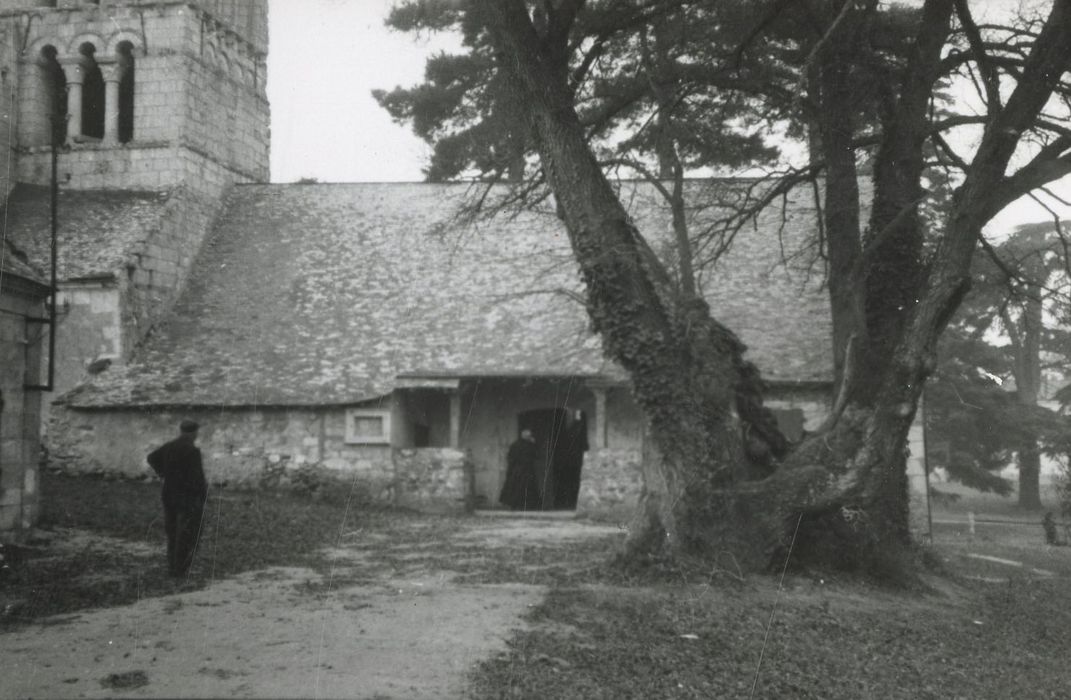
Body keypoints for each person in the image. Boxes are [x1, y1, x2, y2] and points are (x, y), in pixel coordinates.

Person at [147, 419, 208, 577]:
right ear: (194, 433)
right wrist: (203, 495)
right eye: (196, 433)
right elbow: (198, 478)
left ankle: (172, 567)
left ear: (181, 431)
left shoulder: (170, 446)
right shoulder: (192, 451)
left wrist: (163, 473)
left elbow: (152, 458)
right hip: (188, 498)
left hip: (169, 495)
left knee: (172, 531)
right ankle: (180, 570)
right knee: (187, 533)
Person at [498, 428, 541, 511]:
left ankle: (514, 506)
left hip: (517, 470)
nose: (530, 437)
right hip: (525, 470)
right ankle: (523, 506)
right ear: (526, 436)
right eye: (529, 436)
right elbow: (537, 455)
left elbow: (510, 457)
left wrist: (510, 469)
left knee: (516, 487)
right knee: (523, 487)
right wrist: (534, 444)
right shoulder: (529, 445)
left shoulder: (515, 444)